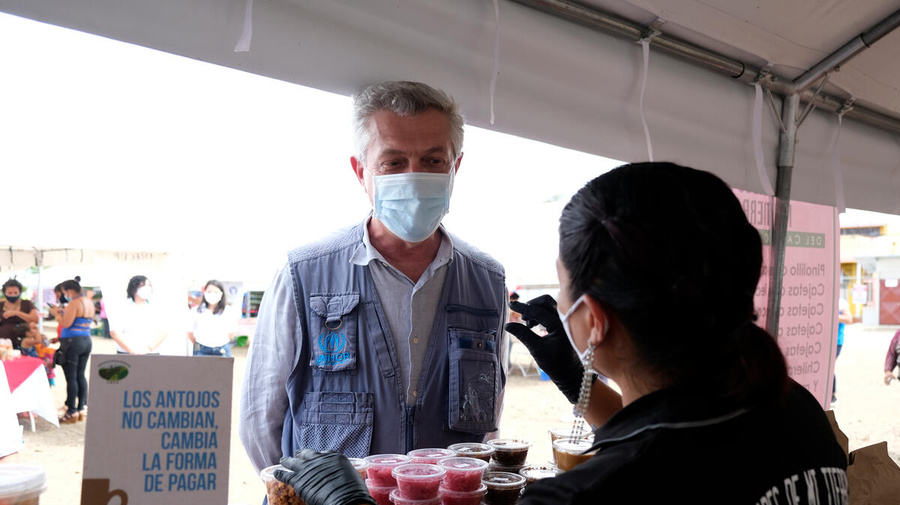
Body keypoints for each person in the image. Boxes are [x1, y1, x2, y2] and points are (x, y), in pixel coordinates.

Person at [274, 162, 848, 505]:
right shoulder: (793, 410)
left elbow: (651, 458)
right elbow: (655, 431)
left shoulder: (587, 495)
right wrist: (574, 372)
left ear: (593, 319)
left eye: (563, 286)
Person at [240, 81, 508, 473]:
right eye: (394, 163)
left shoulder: (488, 281)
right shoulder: (303, 273)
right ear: (360, 171)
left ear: (456, 166)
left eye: (434, 161)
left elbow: (488, 418)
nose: (414, 178)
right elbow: (259, 417)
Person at [49, 279, 94, 423]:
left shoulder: (74, 303)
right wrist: (64, 312)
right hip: (86, 340)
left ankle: (71, 411)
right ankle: (81, 407)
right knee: (80, 375)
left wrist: (56, 314)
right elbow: (78, 319)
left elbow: (66, 323)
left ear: (68, 290)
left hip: (73, 342)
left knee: (71, 377)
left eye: (63, 292)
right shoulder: (88, 301)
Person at [109, 275, 168, 354]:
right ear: (134, 289)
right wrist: (132, 351)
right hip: (126, 354)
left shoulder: (157, 308)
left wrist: (148, 349)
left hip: (152, 353)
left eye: (149, 285)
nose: (147, 288)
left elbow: (164, 332)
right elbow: (114, 332)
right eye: (143, 285)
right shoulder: (123, 308)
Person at [188, 280, 236, 357]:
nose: (212, 294)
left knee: (223, 369)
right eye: (209, 291)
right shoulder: (196, 311)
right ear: (204, 293)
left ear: (221, 294)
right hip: (200, 348)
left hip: (222, 348)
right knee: (198, 369)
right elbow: (190, 333)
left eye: (216, 292)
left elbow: (231, 334)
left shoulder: (228, 311)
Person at [0, 279, 40, 350]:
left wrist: (16, 313)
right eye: (9, 293)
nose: (13, 295)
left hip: (23, 343)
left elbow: (35, 319)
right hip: (3, 342)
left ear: (20, 292)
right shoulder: (1, 305)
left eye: (16, 293)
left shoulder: (27, 304)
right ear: (4, 293)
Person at [833, 297, 852, 404]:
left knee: (830, 367)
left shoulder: (841, 302)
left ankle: (832, 395)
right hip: (824, 340)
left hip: (837, 341)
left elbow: (849, 319)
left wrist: (832, 315)